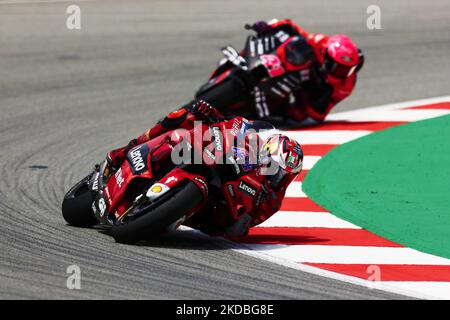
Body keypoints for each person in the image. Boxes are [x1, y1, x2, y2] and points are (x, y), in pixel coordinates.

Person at [104, 101, 303, 237]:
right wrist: (211, 115)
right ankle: (124, 152)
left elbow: (240, 230)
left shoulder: (272, 200)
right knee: (181, 121)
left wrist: (245, 214)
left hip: (210, 209)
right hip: (211, 156)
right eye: (272, 164)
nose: (273, 172)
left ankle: (160, 213)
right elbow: (232, 125)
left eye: (279, 172)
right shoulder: (250, 140)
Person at [194, 18, 365, 124]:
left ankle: (259, 112)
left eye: (345, 70)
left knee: (294, 116)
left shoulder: (344, 85)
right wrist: (271, 26)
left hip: (304, 93)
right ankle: (242, 64)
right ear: (327, 56)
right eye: (337, 67)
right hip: (291, 68)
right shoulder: (321, 43)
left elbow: (319, 113)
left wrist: (309, 100)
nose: (340, 72)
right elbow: (294, 29)